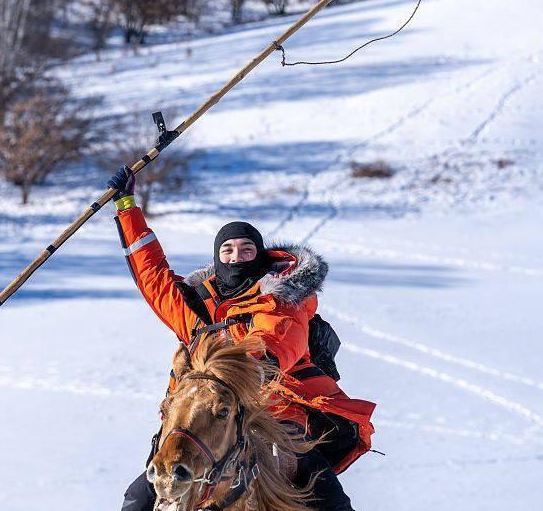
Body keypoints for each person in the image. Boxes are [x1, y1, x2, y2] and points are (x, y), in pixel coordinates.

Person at [108, 166, 375, 511]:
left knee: (319, 487)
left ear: (260, 256)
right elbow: (153, 277)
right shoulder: (199, 308)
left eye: (247, 250)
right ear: (218, 258)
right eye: (228, 251)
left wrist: (243, 370)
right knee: (141, 494)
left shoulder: (281, 298)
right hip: (199, 414)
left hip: (277, 411)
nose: (237, 257)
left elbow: (275, 341)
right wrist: (127, 206)